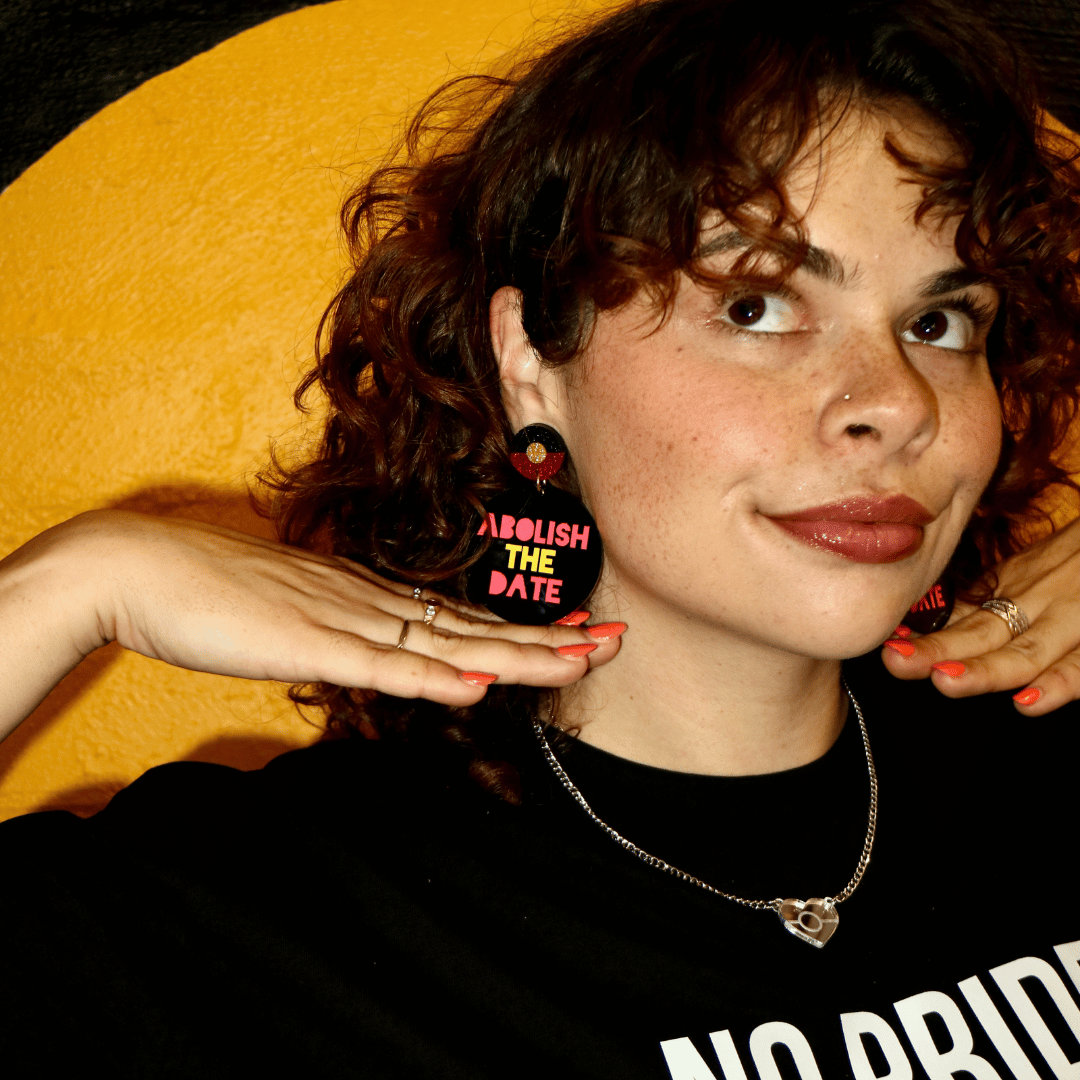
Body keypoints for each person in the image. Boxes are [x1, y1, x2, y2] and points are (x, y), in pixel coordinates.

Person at [2, 0, 1080, 1076]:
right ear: (532, 361)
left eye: (941, 322)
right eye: (756, 306)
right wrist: (69, 585)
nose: (897, 404)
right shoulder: (273, 917)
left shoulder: (1048, 764)